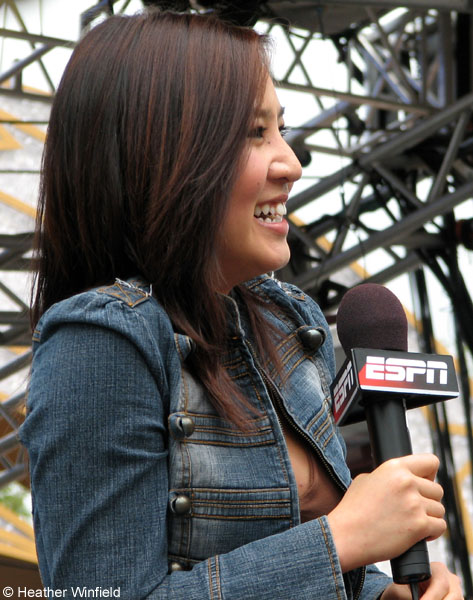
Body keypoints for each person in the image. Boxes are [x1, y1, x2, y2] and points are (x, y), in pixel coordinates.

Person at [20, 9, 462, 600]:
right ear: (164, 152)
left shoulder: (291, 324)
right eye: (256, 133)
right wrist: (342, 540)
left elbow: (306, 557)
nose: (292, 164)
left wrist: (380, 593)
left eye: (281, 129)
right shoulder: (102, 341)